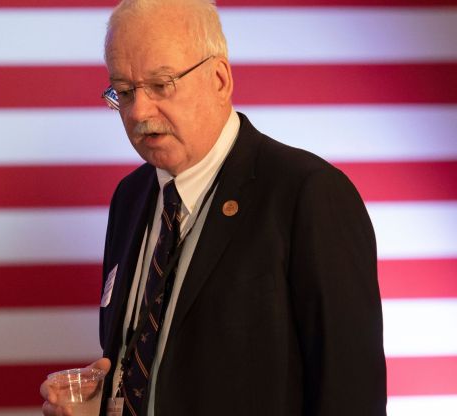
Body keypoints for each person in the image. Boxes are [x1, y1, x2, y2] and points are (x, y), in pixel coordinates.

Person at [40, 0, 387, 415]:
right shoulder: (129, 198)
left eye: (161, 84)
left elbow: (351, 397)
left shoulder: (308, 195)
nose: (138, 112)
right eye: (125, 91)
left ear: (220, 79)